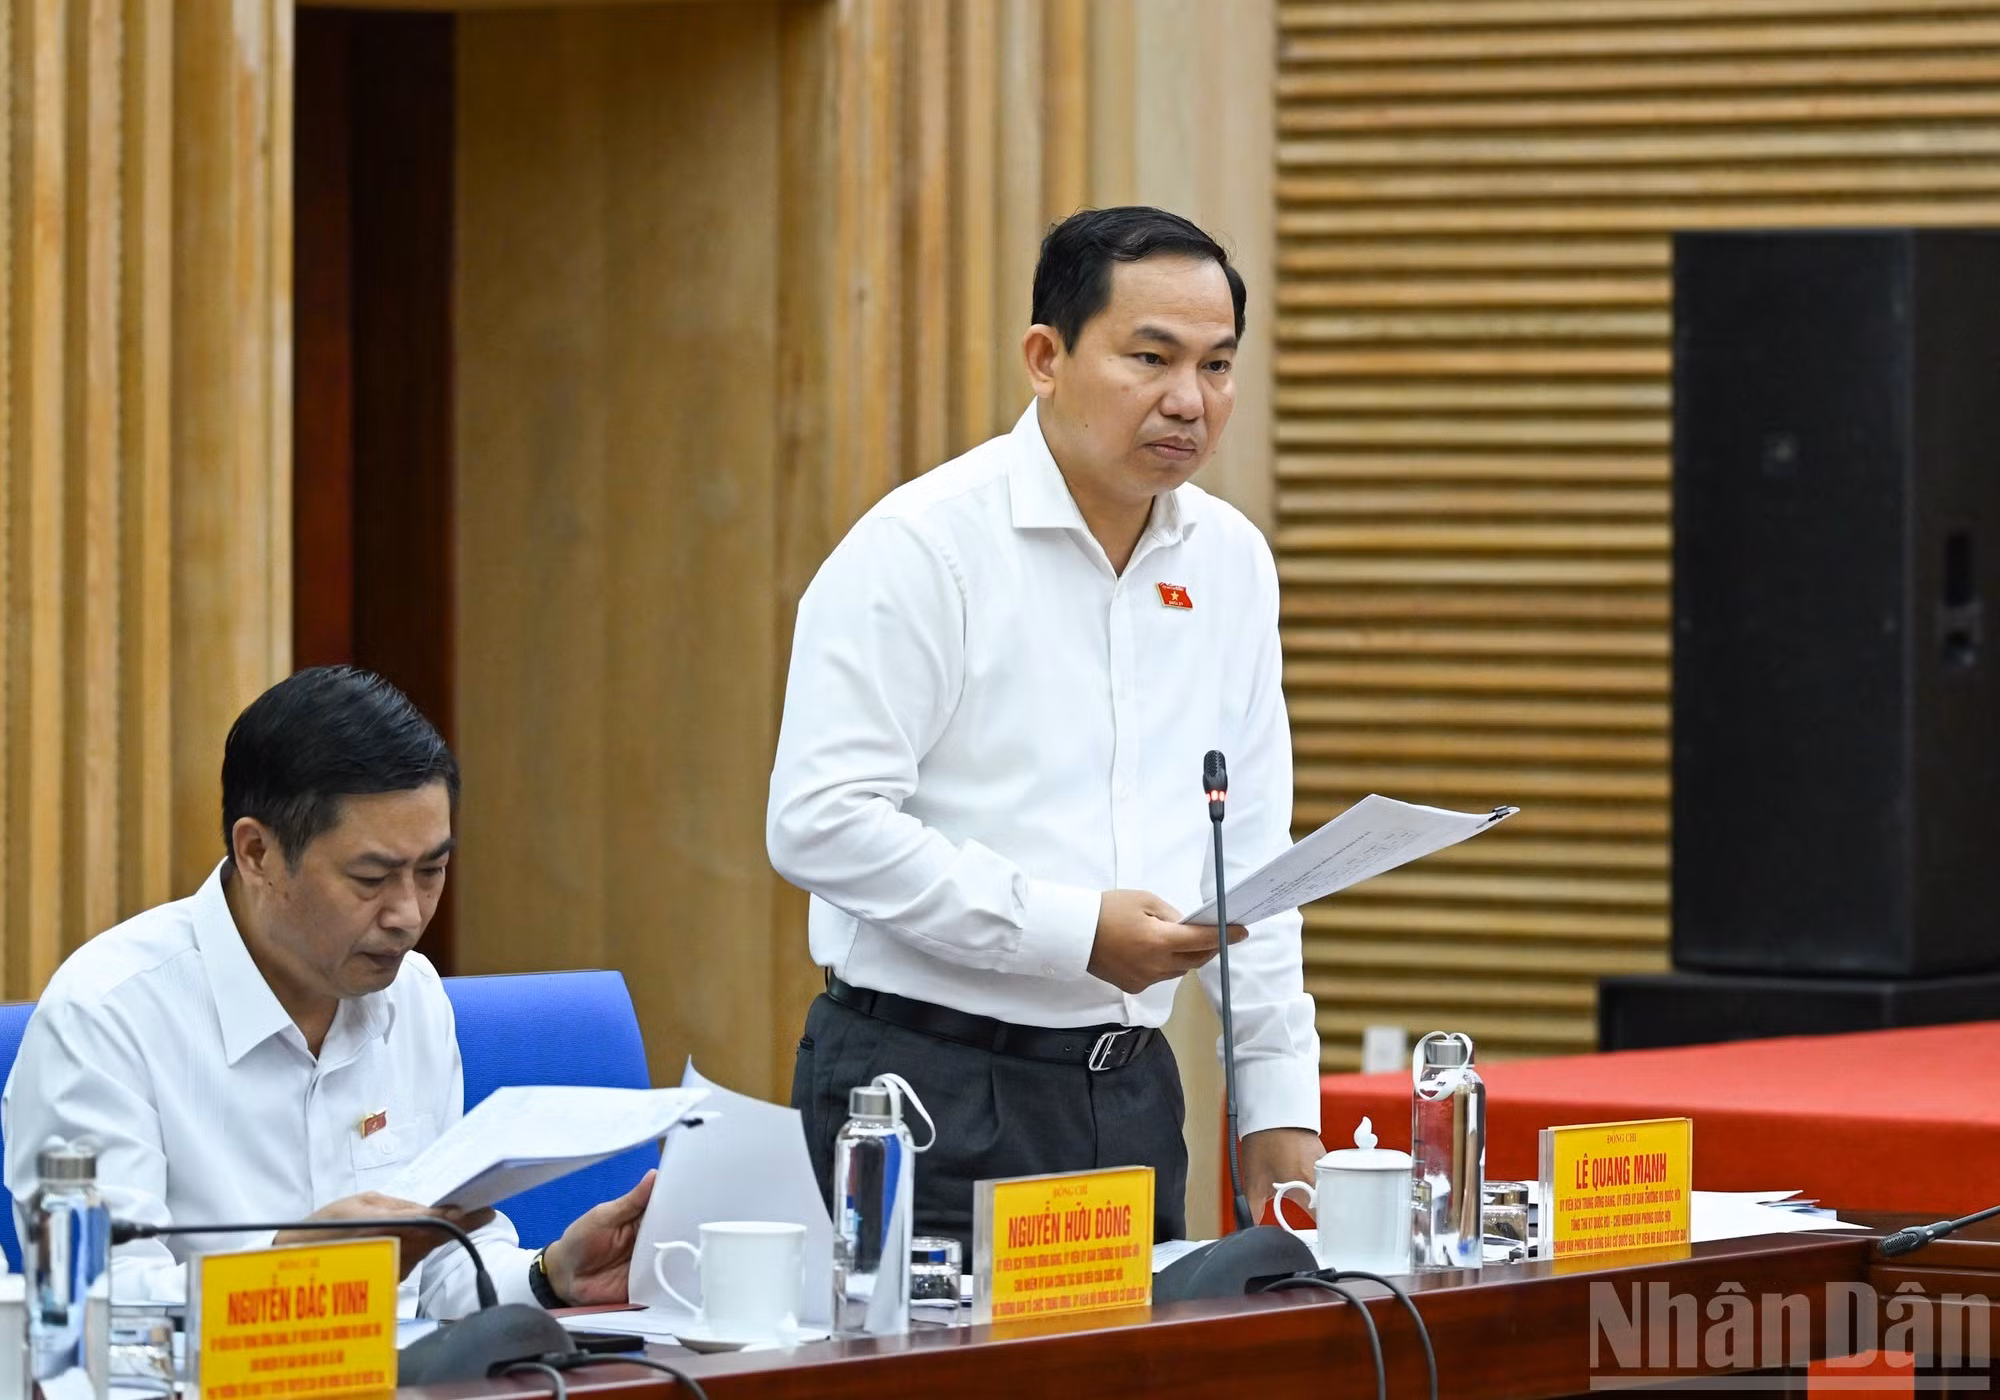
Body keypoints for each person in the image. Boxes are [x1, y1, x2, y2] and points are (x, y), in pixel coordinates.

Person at [770, 205, 1324, 1246]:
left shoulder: (1230, 560)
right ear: (1045, 357)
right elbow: (820, 823)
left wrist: (1276, 1092)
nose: (1188, 399)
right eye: (1150, 358)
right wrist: (1073, 932)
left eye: (1216, 365)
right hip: (925, 1087)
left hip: (1129, 1089)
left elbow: (1247, 846)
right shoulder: (923, 547)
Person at [2, 666, 652, 1317]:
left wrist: (551, 1274)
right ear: (257, 853)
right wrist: (292, 1271)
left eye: (432, 870)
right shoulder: (105, 1017)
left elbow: (437, 1271)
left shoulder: (413, 995)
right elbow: (94, 1304)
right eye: (371, 878)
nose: (408, 914)